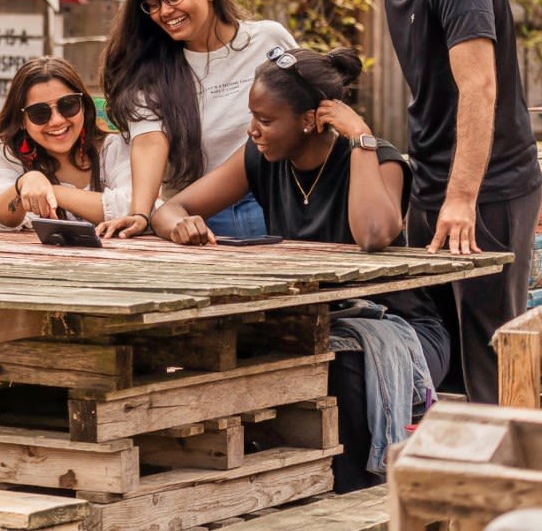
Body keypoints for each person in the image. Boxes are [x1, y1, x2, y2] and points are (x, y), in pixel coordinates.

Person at [298, 0, 542, 404]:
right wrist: (424, 193)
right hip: (435, 186)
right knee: (443, 355)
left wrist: (462, 198)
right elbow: (432, 94)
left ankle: (510, 486)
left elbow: (479, 87)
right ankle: (454, 479)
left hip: (489, 190)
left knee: (493, 357)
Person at [150, 46, 451, 492]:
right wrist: (182, 225)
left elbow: (373, 233)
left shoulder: (377, 160)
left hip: (400, 328)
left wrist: (362, 138)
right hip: (311, 323)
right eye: (252, 116)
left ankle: (353, 502)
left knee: (342, 369)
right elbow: (171, 207)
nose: (253, 130)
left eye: (266, 120)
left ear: (310, 120)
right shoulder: (260, 159)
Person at [98, 0, 297, 239]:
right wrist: (140, 213)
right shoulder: (150, 71)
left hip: (279, 202)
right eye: (153, 4)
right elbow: (150, 142)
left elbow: (306, 108)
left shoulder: (267, 40)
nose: (165, 11)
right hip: (197, 218)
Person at [0, 57, 132, 230]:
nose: (57, 121)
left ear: (83, 105)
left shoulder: (113, 145)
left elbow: (136, 208)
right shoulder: (7, 153)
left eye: (68, 105)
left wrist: (53, 192)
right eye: (39, 113)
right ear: (22, 120)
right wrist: (25, 182)